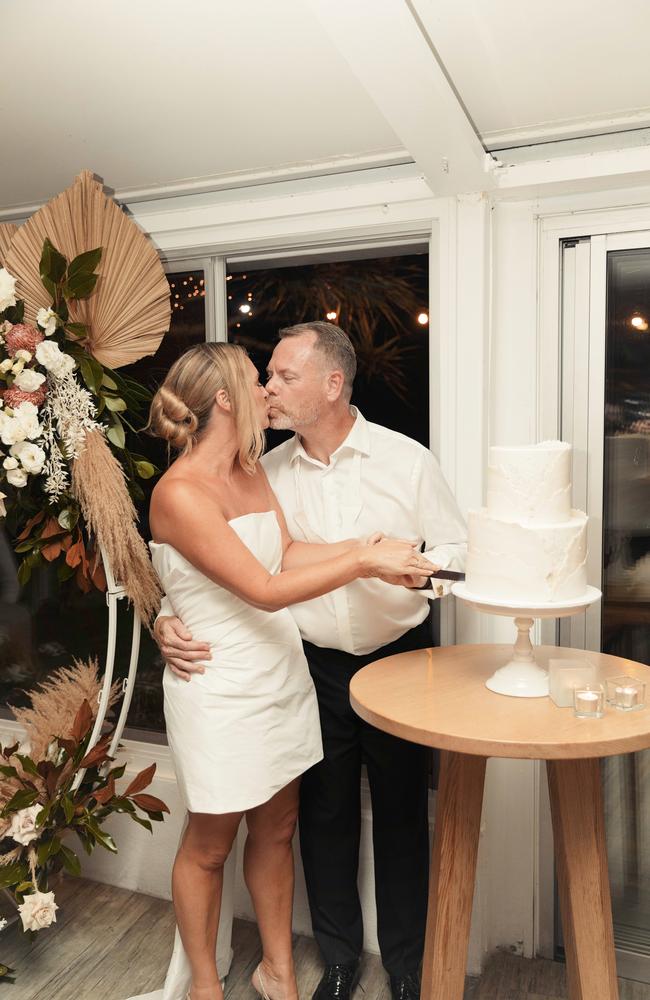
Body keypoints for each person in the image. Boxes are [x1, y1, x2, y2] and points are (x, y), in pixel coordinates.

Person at [155, 324, 466, 1000]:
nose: (268, 386)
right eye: (261, 375)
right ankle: (338, 960)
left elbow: (446, 553)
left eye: (282, 376)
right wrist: (163, 617)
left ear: (333, 383)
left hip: (397, 660)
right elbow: (236, 576)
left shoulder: (406, 459)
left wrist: (408, 565)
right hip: (307, 664)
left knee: (401, 815)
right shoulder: (263, 468)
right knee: (320, 820)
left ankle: (408, 966)